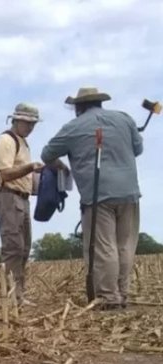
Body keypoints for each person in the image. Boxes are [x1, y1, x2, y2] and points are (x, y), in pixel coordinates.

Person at [41, 87, 142, 310]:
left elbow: (47, 154)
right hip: (129, 192)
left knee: (104, 247)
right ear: (99, 102)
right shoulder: (124, 118)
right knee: (125, 245)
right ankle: (122, 293)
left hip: (98, 196)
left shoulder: (73, 127)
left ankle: (108, 298)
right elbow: (138, 149)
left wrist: (63, 166)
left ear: (78, 107)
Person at [0, 104, 43, 304]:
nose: (30, 127)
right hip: (8, 196)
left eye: (33, 124)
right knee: (13, 247)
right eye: (27, 123)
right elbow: (4, 173)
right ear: (16, 120)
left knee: (24, 248)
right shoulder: (6, 140)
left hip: (21, 198)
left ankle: (18, 294)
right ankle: (11, 296)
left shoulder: (22, 143)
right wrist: (30, 168)